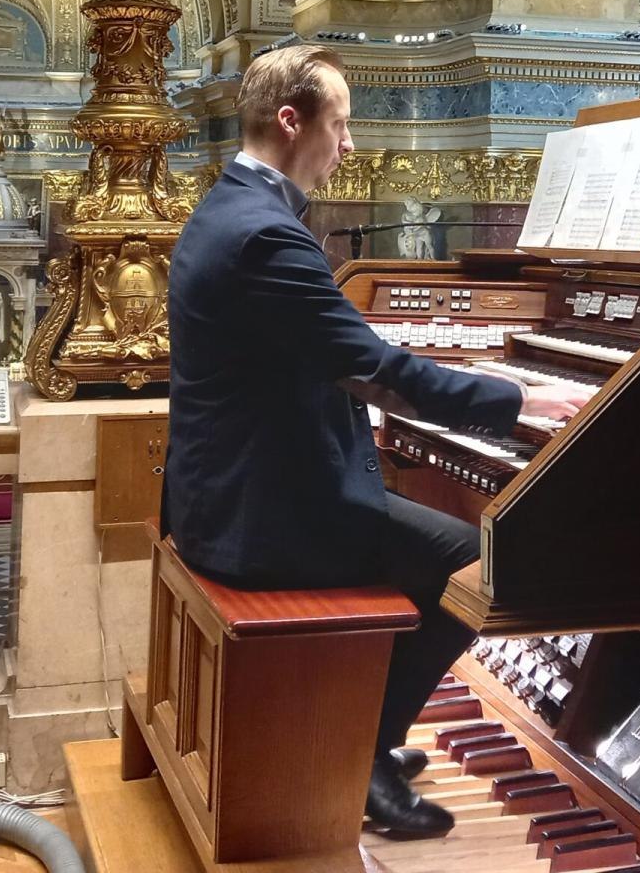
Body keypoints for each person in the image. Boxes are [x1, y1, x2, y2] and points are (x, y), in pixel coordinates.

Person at [163, 44, 590, 838]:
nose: (350, 145)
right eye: (342, 123)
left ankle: (369, 738)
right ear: (292, 122)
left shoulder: (228, 207)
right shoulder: (266, 236)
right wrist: (520, 399)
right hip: (263, 518)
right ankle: (363, 750)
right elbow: (374, 373)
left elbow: (337, 357)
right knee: (482, 562)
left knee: (437, 539)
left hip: (233, 491)